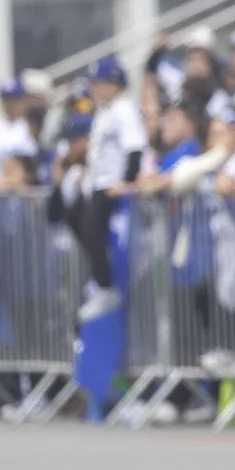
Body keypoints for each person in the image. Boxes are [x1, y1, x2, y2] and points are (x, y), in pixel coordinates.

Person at [77, 57, 149, 320]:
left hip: (113, 185)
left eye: (99, 83)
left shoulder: (123, 109)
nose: (94, 88)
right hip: (99, 183)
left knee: (94, 232)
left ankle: (106, 287)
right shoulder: (103, 112)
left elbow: (134, 147)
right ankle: (101, 283)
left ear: (114, 84)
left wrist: (127, 181)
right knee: (84, 227)